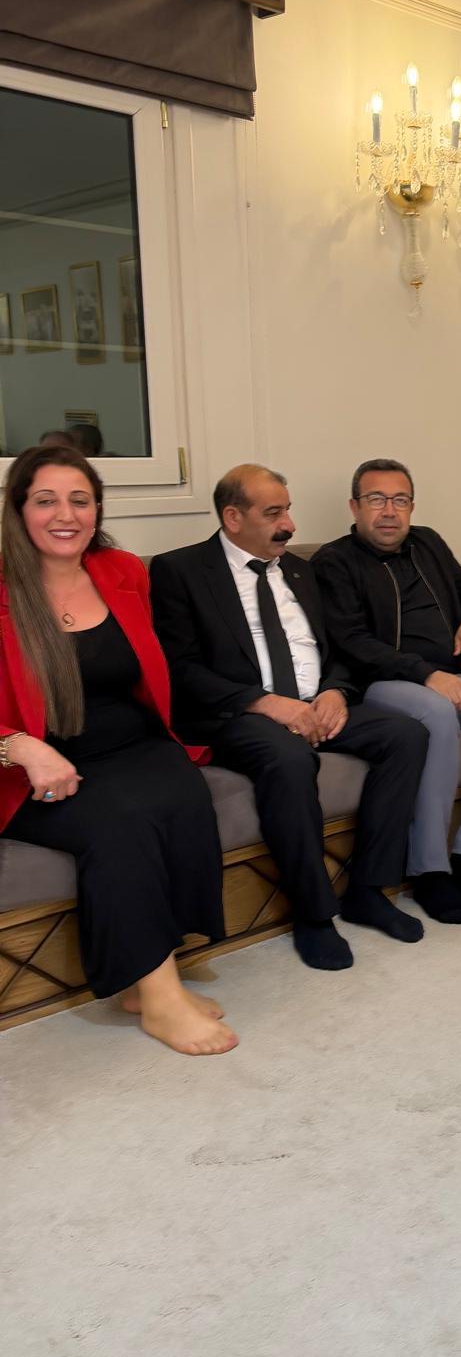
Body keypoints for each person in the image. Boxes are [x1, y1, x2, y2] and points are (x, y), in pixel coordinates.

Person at [0, 445, 235, 1055]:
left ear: (97, 510)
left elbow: (147, 669)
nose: (66, 515)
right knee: (120, 824)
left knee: (185, 796)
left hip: (130, 739)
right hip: (34, 766)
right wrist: (19, 746)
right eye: (45, 500)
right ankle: (160, 1001)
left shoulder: (122, 570)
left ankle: (146, 979)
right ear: (18, 509)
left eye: (80, 500)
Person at [150, 465, 428, 971]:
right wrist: (266, 703)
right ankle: (313, 914)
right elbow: (180, 668)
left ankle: (368, 890)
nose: (290, 525)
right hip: (238, 713)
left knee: (405, 734)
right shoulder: (181, 571)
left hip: (312, 701)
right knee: (289, 758)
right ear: (233, 517)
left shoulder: (300, 569)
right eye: (274, 513)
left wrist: (335, 692)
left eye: (288, 510)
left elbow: (337, 646)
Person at [312, 459, 461, 926]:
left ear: (412, 507)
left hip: (449, 676)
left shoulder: (429, 542)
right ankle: (430, 871)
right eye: (376, 500)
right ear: (355, 507)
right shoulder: (333, 561)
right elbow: (351, 641)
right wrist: (424, 674)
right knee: (436, 713)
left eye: (400, 500)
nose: (389, 511)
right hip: (382, 682)